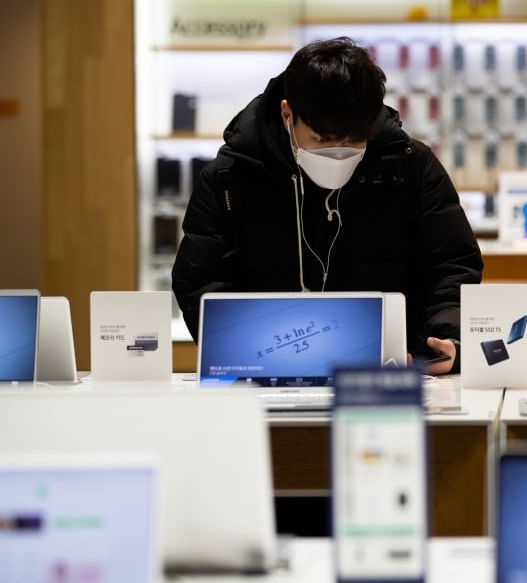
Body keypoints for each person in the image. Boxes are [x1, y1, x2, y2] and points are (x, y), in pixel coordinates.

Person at [172, 37, 483, 374]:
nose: (338, 151)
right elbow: (199, 280)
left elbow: (450, 265)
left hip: (390, 374)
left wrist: (443, 339)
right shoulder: (231, 177)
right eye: (321, 140)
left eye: (353, 140)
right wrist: (238, 352)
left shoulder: (409, 166)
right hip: (266, 373)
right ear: (287, 113)